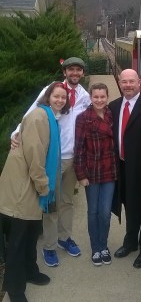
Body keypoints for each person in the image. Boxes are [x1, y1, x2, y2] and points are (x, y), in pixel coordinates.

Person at [11, 57, 91, 267]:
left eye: (78, 70)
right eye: (70, 70)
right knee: (51, 204)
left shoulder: (84, 95)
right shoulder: (53, 90)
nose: (74, 73)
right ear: (64, 72)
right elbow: (33, 112)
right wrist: (17, 132)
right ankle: (49, 246)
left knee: (67, 202)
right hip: (52, 158)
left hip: (72, 158)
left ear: (82, 73)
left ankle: (65, 238)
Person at [0, 82, 69, 302]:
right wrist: (43, 186)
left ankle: (30, 271)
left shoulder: (49, 118)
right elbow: (34, 154)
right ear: (48, 97)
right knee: (18, 240)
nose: (60, 100)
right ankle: (15, 288)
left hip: (30, 184)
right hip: (22, 187)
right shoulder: (40, 117)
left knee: (31, 233)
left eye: (63, 98)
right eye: (56, 96)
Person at [108, 69, 141, 268]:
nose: (127, 85)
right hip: (122, 167)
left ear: (139, 82)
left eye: (131, 81)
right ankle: (130, 242)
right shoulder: (114, 106)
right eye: (124, 82)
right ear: (119, 83)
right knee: (129, 207)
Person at [73, 83, 118, 266]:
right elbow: (79, 148)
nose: (99, 100)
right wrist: (81, 174)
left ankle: (104, 245)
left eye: (102, 97)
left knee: (105, 213)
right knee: (93, 211)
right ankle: (95, 248)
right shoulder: (83, 118)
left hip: (109, 170)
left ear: (107, 97)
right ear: (90, 98)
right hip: (91, 172)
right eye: (96, 97)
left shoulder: (111, 115)